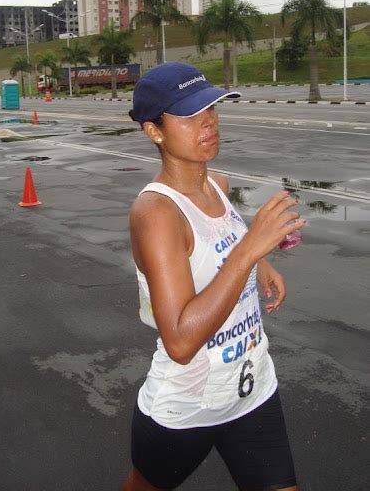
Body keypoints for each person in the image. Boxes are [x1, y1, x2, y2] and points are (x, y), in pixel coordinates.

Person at [123, 63, 304, 491]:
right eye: (189, 114)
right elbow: (182, 342)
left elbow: (222, 243)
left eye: (212, 108)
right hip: (187, 406)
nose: (208, 122)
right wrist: (249, 251)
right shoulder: (156, 215)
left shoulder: (217, 184)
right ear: (155, 131)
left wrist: (262, 263)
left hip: (253, 389)